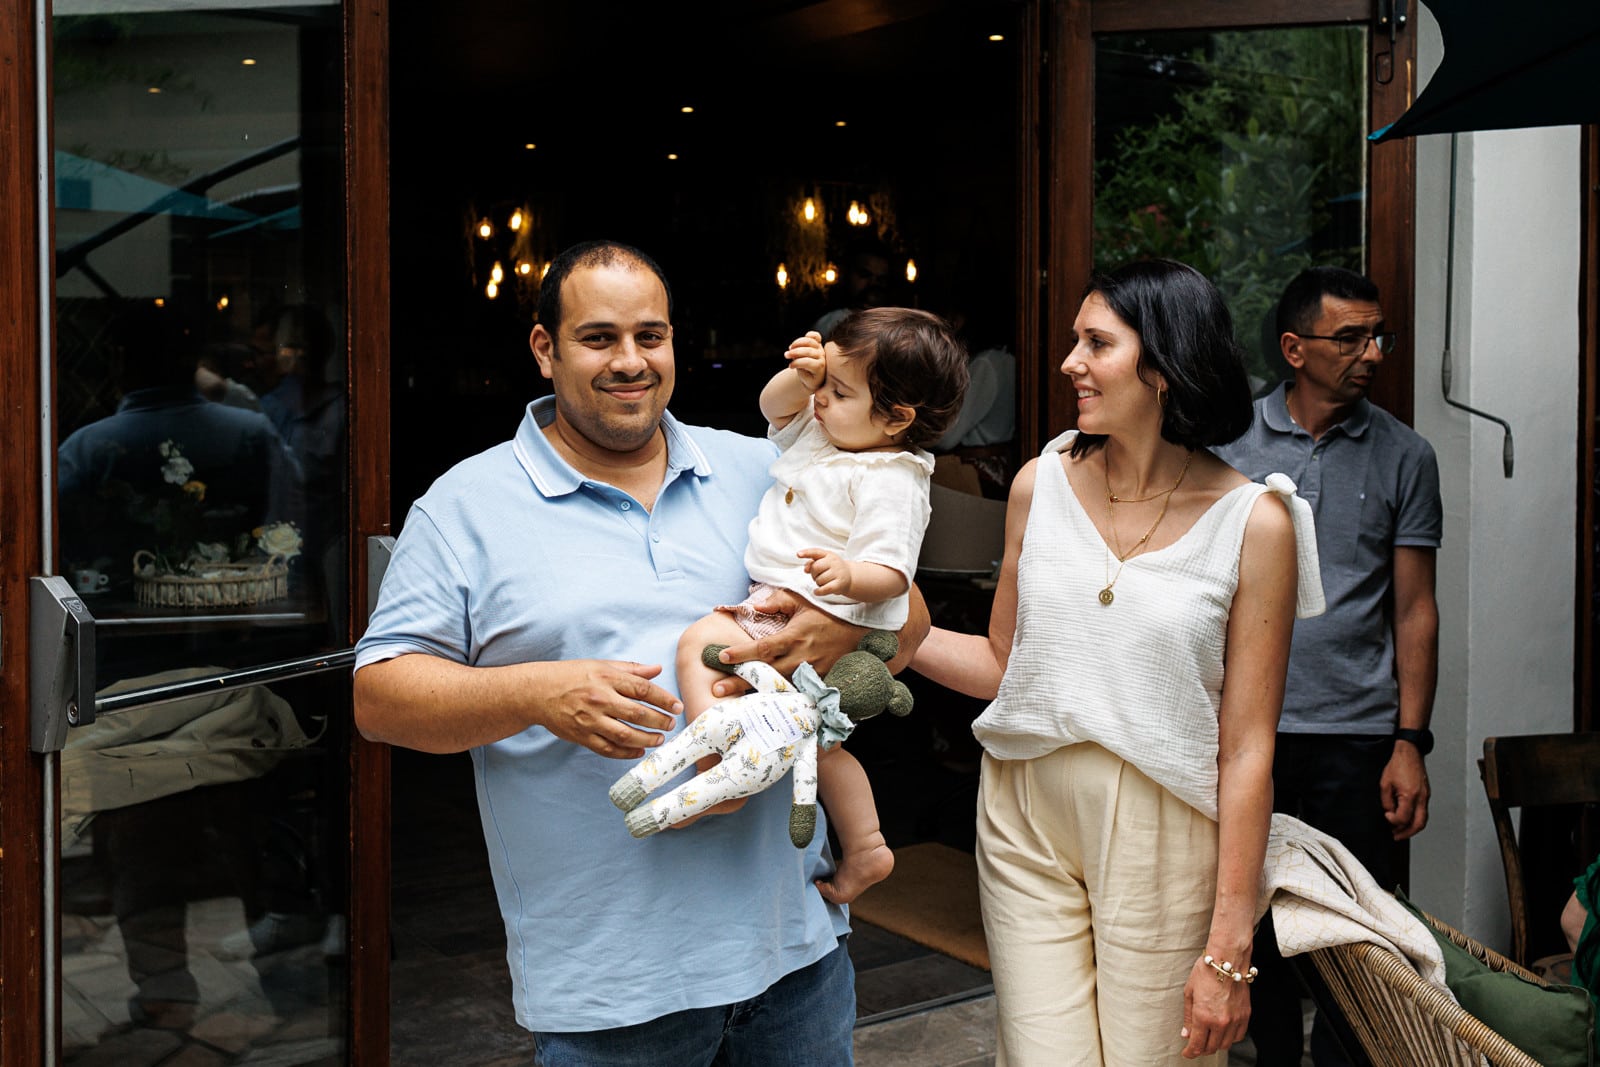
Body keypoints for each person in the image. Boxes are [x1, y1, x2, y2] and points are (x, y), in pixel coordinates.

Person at [353, 240, 928, 1064]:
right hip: (611, 993)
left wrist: (828, 632)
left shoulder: (765, 465)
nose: (631, 362)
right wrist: (538, 693)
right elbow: (379, 698)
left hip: (795, 961)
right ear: (544, 348)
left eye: (651, 336)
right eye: (599, 338)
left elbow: (906, 618)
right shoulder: (464, 506)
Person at [912, 259, 1321, 1065]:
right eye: (1075, 340)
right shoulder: (1040, 483)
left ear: (1164, 366)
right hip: (1023, 811)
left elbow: (1247, 749)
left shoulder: (1256, 521)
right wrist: (896, 634)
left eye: (1096, 342)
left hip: (1163, 828)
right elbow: (1006, 663)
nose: (1070, 362)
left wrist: (1230, 948)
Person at [1213, 265, 1442, 1067]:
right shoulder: (1227, 441)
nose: (1372, 352)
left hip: (1356, 738)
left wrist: (1411, 738)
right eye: (1350, 337)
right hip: (1243, 732)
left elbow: (1413, 607)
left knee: (1353, 939)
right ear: (1293, 348)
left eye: (1378, 335)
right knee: (1255, 930)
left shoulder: (1406, 455)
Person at [675, 309, 968, 902]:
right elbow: (772, 407)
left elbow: (891, 573)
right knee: (818, 741)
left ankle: (719, 774)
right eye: (824, 387)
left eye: (839, 391)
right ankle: (866, 844)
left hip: (814, 610)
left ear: (896, 417)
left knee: (698, 645)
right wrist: (805, 376)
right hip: (791, 602)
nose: (821, 401)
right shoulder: (830, 433)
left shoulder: (892, 475)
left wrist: (848, 574)